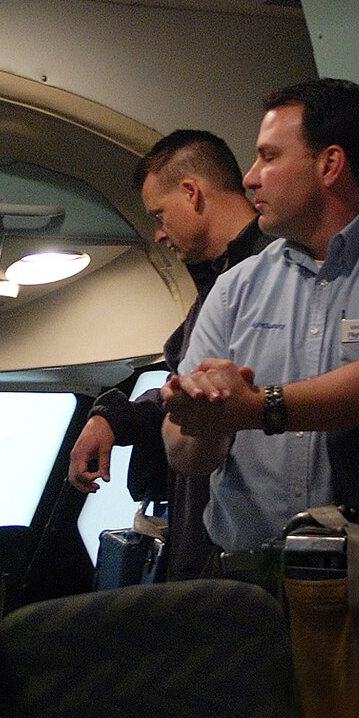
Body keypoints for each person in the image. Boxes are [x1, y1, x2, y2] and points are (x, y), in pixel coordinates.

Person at [162, 79, 359, 553]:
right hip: (255, 580)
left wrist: (260, 407)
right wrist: (202, 416)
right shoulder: (235, 287)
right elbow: (182, 451)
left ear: (329, 164)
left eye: (269, 157)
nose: (250, 178)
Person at [67, 129, 268, 581]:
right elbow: (189, 390)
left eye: (159, 215)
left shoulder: (270, 275)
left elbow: (219, 396)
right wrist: (113, 418)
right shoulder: (214, 289)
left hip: (247, 554)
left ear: (192, 193)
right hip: (206, 541)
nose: (158, 233)